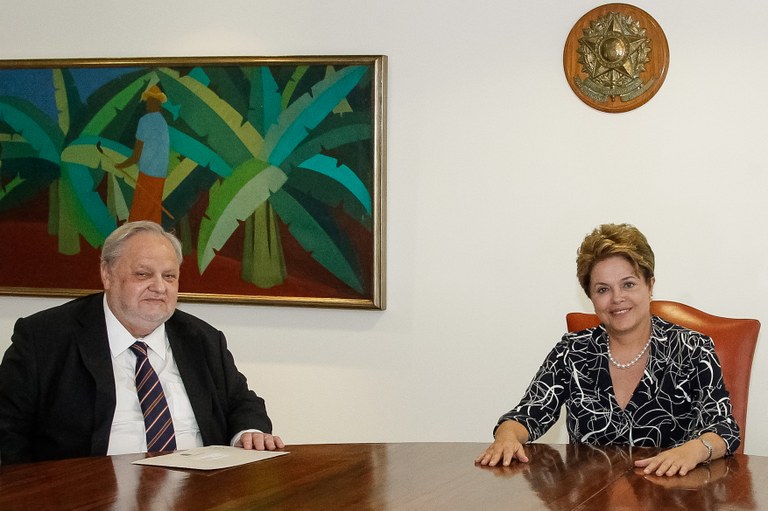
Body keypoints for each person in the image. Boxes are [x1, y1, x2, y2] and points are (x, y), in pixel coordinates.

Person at [0, 221, 283, 464]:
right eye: (143, 274)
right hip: (86, 496)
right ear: (107, 274)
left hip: (199, 494)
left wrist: (247, 432)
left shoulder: (202, 340)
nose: (159, 287)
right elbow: (7, 431)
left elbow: (243, 402)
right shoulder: (44, 338)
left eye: (169, 276)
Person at [475, 223, 740, 477]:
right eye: (603, 289)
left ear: (650, 285)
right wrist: (507, 438)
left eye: (628, 284)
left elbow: (724, 428)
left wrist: (694, 451)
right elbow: (527, 414)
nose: (617, 299)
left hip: (672, 494)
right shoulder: (572, 352)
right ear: (591, 298)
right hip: (590, 497)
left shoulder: (692, 348)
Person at [116, 84, 170, 224]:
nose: (147, 105)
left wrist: (119, 165)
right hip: (160, 176)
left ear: (154, 103)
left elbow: (136, 156)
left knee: (138, 215)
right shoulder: (163, 123)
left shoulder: (145, 121)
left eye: (149, 101)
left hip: (148, 175)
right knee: (153, 214)